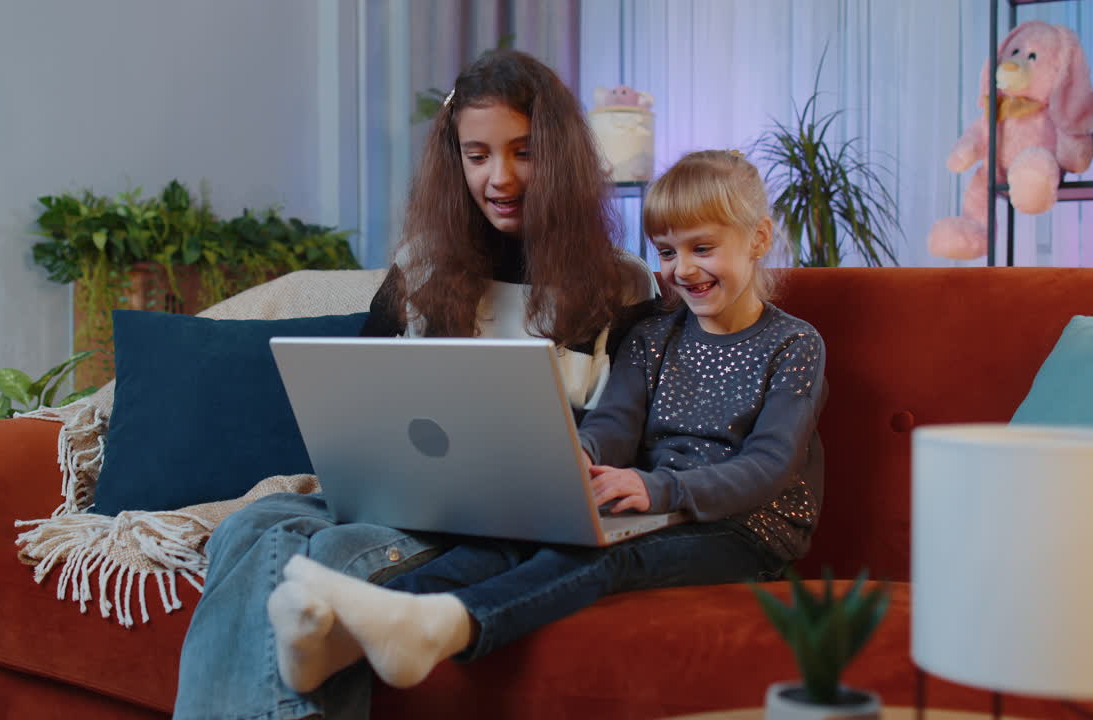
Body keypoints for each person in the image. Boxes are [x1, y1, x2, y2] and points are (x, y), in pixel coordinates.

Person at [172, 50, 657, 720]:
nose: (501, 177)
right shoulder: (420, 268)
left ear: (562, 155)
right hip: (391, 498)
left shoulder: (623, 285)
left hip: (508, 523)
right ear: (454, 162)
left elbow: (627, 431)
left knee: (334, 553)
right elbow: (359, 402)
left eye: (523, 151)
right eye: (478, 155)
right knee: (249, 526)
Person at [266, 149, 828, 692]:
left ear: (758, 238)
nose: (682, 270)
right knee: (504, 543)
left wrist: (660, 488)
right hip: (659, 507)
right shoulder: (656, 337)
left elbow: (769, 466)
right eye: (666, 252)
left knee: (605, 556)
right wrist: (573, 455)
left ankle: (444, 626)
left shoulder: (794, 344)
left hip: (745, 530)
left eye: (702, 247)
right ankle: (354, 627)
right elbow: (614, 424)